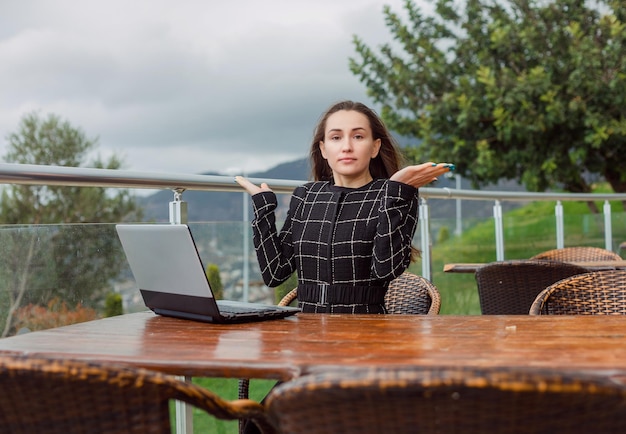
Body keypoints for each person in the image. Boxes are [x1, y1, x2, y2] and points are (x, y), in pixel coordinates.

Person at [236, 100, 452, 314]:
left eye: (358, 136)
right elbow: (275, 273)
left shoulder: (395, 195)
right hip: (306, 332)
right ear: (323, 149)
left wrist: (396, 192)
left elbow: (386, 269)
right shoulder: (306, 196)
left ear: (375, 147)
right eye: (336, 137)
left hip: (366, 329)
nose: (347, 146)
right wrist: (263, 210)